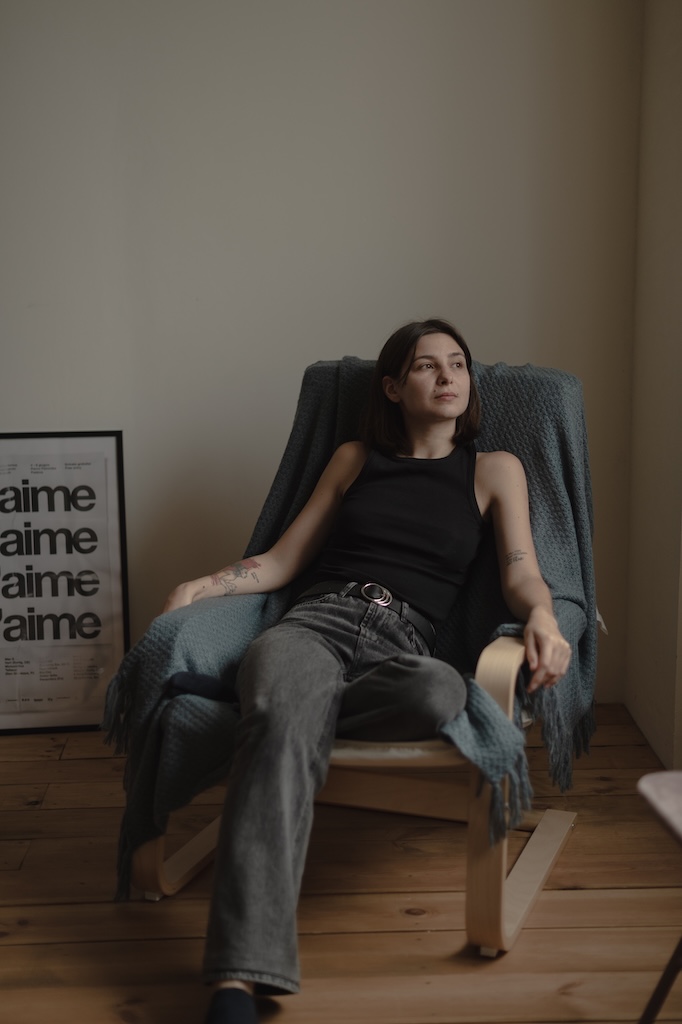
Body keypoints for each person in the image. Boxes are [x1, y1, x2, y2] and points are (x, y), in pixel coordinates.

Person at [162, 318, 572, 1024]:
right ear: (392, 385)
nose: (447, 376)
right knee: (283, 710)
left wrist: (544, 617)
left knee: (440, 689)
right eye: (425, 365)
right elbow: (285, 559)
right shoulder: (354, 459)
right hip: (315, 624)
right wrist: (208, 584)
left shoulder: (493, 469)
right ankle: (237, 979)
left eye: (458, 364)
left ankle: (260, 702)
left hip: (401, 643)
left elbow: (521, 574)